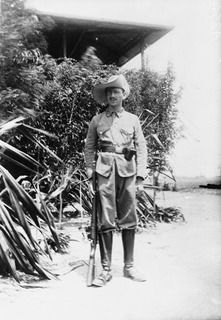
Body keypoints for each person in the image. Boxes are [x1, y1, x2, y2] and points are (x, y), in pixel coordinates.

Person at [84, 74, 147, 287]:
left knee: (129, 217)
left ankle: (129, 267)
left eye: (116, 91)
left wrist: (140, 176)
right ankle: (106, 270)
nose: (113, 95)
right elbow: (90, 146)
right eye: (109, 92)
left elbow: (141, 148)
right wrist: (90, 170)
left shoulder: (133, 119)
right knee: (106, 219)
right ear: (106, 96)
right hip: (104, 172)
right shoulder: (97, 120)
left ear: (123, 95)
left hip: (127, 172)